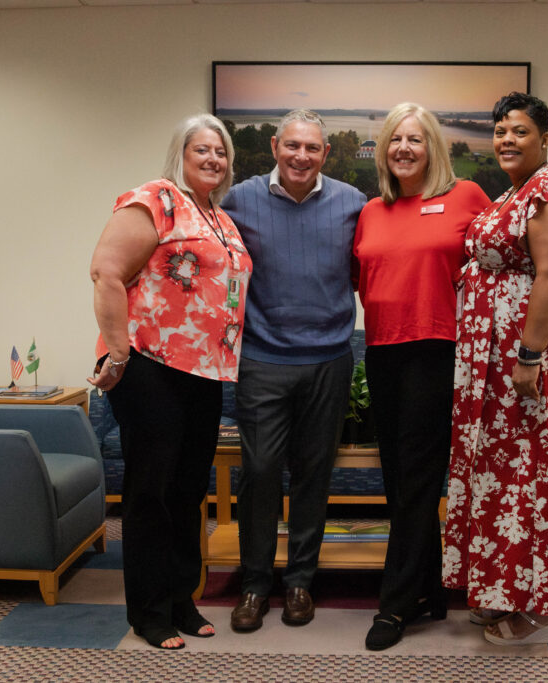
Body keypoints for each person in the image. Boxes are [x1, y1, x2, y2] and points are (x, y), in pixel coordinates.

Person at [89, 114, 252, 650]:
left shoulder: (219, 218)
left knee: (188, 491)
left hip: (204, 372)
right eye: (201, 149)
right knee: (150, 493)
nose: (213, 159)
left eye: (221, 152)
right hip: (151, 366)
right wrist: (117, 351)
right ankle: (149, 612)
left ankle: (182, 598)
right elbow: (106, 270)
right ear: (180, 156)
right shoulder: (157, 198)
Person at [442, 92, 548, 646]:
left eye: (521, 131)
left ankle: (542, 606)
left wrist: (529, 357)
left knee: (535, 478)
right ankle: (507, 587)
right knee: (503, 479)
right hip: (496, 361)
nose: (508, 139)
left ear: (545, 139)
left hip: (530, 361)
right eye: (501, 130)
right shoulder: (514, 193)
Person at [220, 109, 366, 633]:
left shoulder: (353, 203)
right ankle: (256, 585)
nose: (301, 156)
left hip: (329, 360)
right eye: (293, 146)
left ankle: (301, 580)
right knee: (259, 476)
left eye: (313, 148)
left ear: (326, 154)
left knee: (312, 476)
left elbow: (365, 269)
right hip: (262, 360)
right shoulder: (239, 199)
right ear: (276, 146)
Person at [352, 103, 490, 651]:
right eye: (394, 140)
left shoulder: (467, 197)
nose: (404, 148)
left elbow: (502, 264)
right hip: (382, 352)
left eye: (415, 138)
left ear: (434, 146)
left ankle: (395, 604)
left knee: (415, 478)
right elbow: (364, 281)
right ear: (384, 151)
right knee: (400, 481)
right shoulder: (371, 211)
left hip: (437, 350)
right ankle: (429, 588)